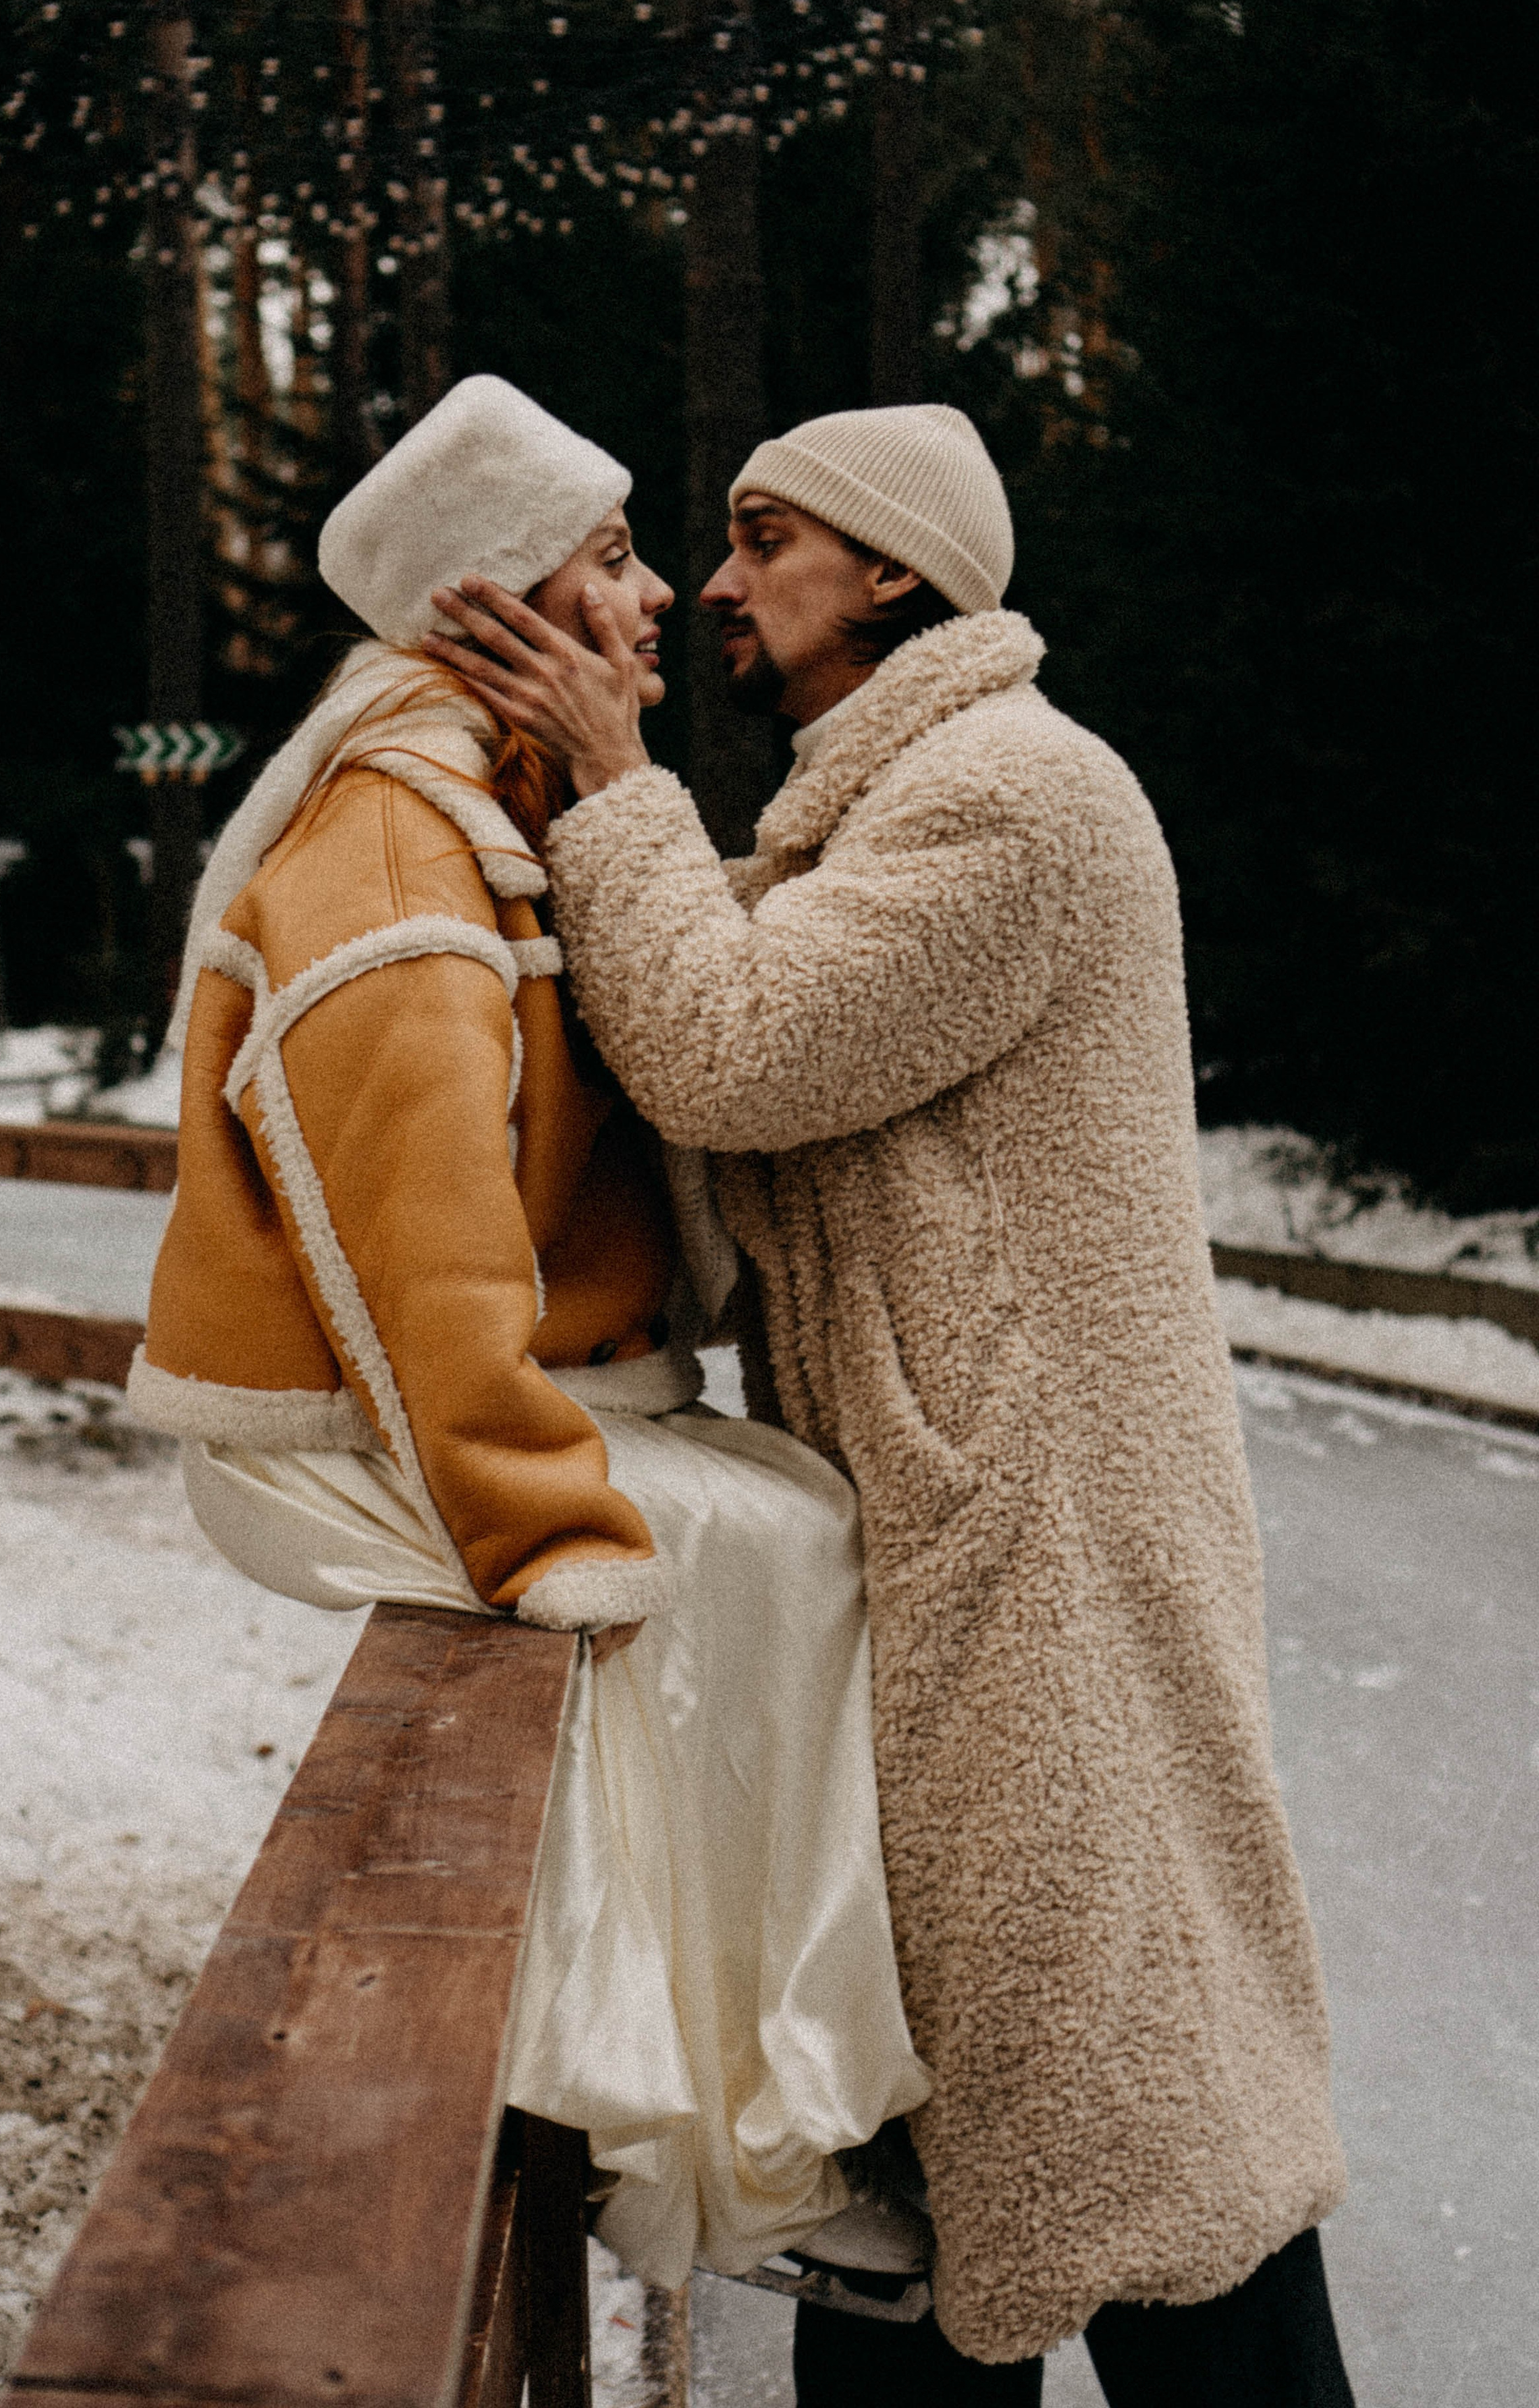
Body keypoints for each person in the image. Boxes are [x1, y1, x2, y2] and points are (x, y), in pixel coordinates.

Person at [422, 400, 1357, 2402]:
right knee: (946, 2170)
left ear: (899, 568)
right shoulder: (865, 809)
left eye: (766, 540)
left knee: (1153, 2161)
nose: (721, 582)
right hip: (949, 1554)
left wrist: (611, 778)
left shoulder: (1011, 794)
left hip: (1052, 1569)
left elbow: (736, 1056)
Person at [126, 375, 929, 2296]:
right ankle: (728, 2160)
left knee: (794, 1519)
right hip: (336, 1436)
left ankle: (782, 2105)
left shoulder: (499, 805)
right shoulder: (400, 847)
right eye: (613, 557)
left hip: (462, 1401)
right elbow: (411, 1255)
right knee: (756, 1559)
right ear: (492, 609)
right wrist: (537, 1523)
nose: (659, 598)